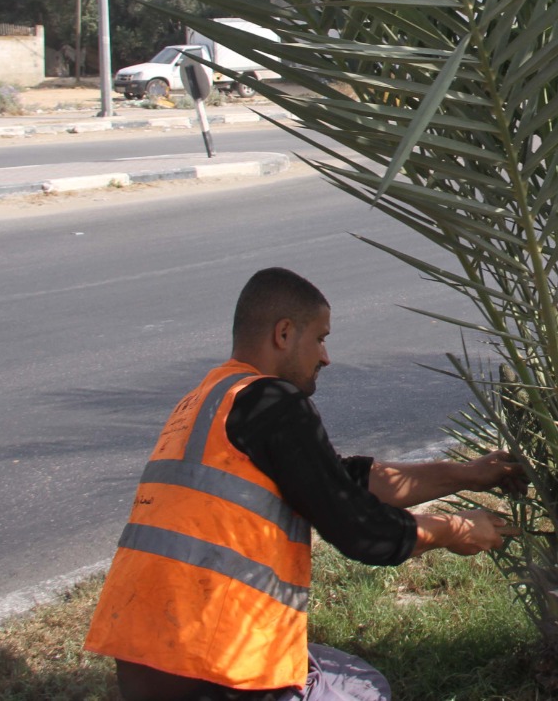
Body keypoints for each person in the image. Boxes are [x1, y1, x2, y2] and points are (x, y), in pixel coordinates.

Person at [85, 267, 521, 701]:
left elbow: (339, 481)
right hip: (218, 665)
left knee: (332, 668)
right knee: (365, 690)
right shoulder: (274, 400)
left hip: (145, 662)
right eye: (320, 338)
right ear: (284, 333)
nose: (325, 357)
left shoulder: (211, 399)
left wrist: (467, 474)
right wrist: (455, 530)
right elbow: (362, 532)